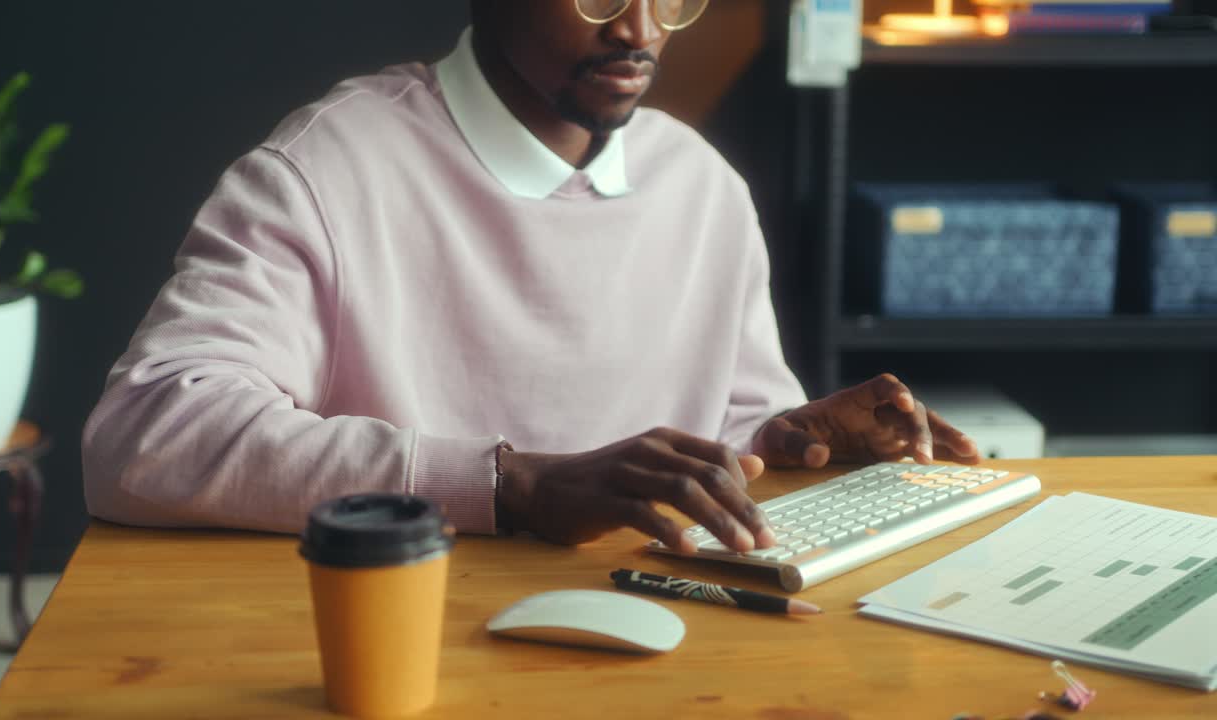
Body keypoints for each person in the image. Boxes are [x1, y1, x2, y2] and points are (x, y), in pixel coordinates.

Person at [82, 0, 980, 555]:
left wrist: (794, 438)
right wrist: (512, 486)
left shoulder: (701, 185)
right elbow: (145, 435)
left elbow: (730, 425)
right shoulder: (326, 168)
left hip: (663, 642)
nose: (639, 28)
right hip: (406, 641)